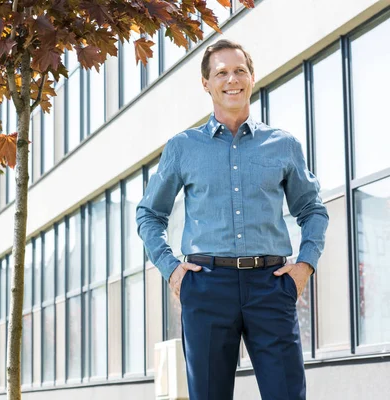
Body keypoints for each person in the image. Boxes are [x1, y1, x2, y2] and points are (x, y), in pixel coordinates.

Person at [136, 39, 329, 400]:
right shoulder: (183, 147)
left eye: (239, 70)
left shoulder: (283, 144)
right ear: (206, 83)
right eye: (221, 72)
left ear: (252, 77)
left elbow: (312, 210)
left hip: (271, 285)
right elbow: (149, 213)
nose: (231, 79)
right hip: (207, 287)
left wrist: (305, 266)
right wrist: (172, 269)